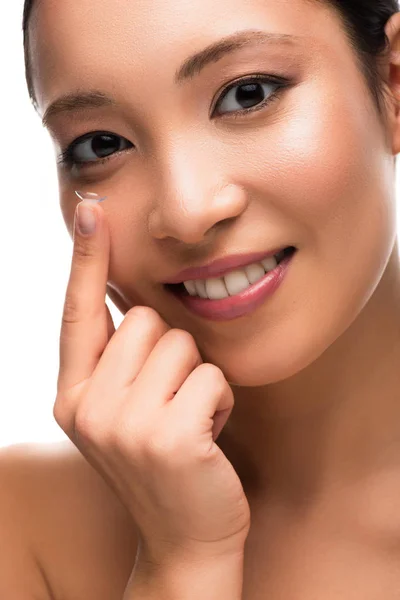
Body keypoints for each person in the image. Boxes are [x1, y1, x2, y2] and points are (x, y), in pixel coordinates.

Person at [2, 0, 400, 597]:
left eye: (248, 93)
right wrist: (182, 564)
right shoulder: (22, 527)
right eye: (103, 143)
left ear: (393, 81)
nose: (187, 212)